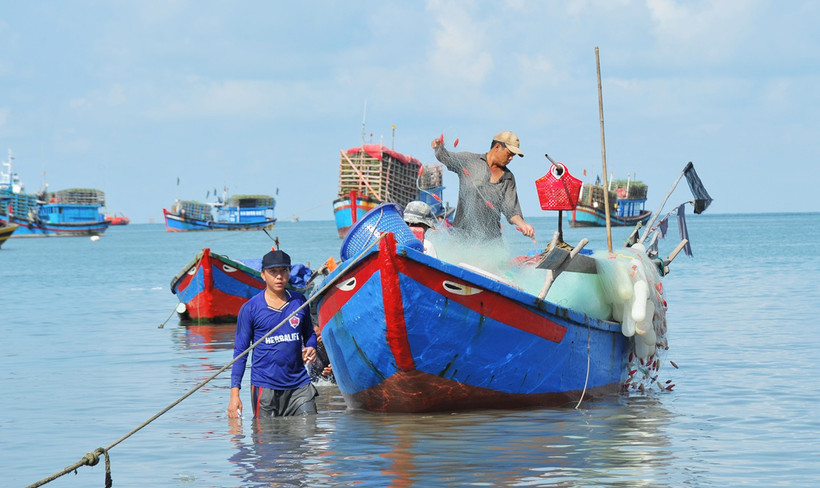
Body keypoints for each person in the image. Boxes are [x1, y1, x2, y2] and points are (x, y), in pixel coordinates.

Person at [228, 249, 319, 418]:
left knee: (309, 434)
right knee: (267, 442)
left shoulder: (299, 301)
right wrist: (235, 395)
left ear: (289, 272)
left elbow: (309, 334)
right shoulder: (251, 308)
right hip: (265, 388)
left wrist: (311, 347)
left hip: (300, 386)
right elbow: (240, 353)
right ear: (263, 275)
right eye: (273, 272)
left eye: (283, 271)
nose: (279, 276)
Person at [431, 131, 535, 243]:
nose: (511, 158)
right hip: (462, 239)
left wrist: (523, 225)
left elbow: (511, 210)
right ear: (497, 147)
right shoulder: (469, 161)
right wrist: (438, 148)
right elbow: (446, 157)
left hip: (491, 243)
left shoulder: (508, 178)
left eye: (513, 156)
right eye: (509, 154)